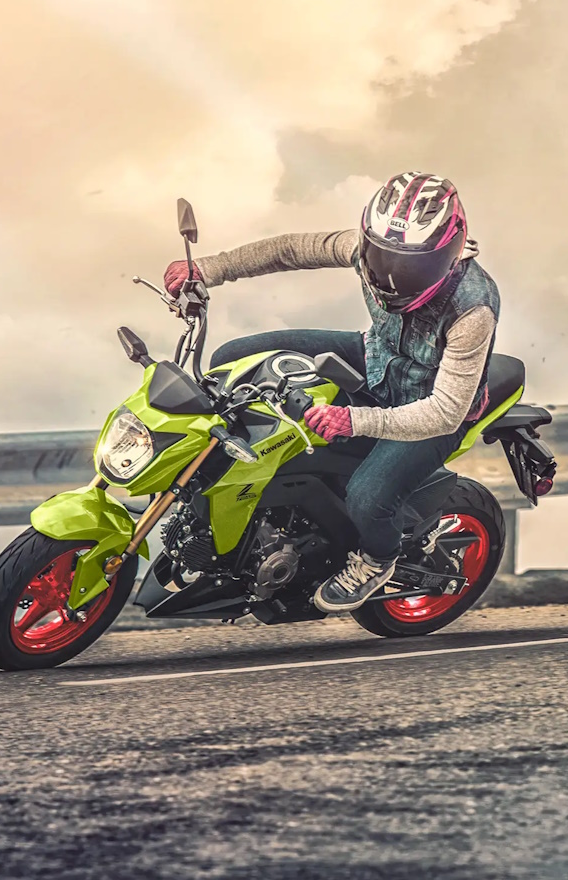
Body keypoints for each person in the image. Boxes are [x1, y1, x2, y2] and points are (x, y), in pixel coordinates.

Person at [162, 171, 500, 612]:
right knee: (233, 358)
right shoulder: (367, 250)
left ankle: (377, 560)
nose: (392, 278)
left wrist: (352, 420)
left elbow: (444, 412)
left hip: (431, 408)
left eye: (412, 266)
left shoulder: (473, 308)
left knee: (369, 496)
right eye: (382, 258)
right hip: (376, 358)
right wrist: (208, 269)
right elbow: (288, 250)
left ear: (451, 252)